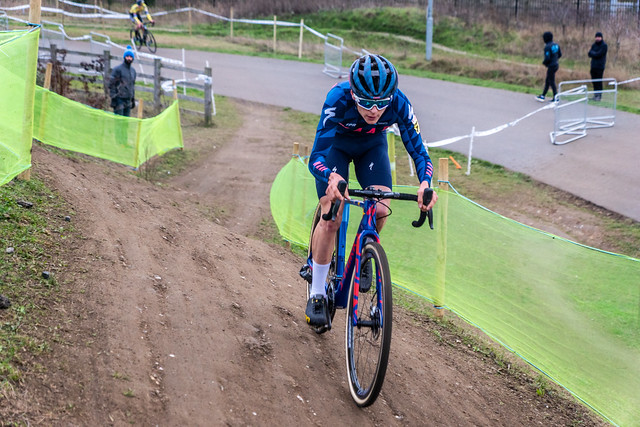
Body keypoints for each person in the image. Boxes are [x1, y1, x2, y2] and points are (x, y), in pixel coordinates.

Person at [305, 54, 438, 327]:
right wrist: (330, 177)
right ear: (353, 93)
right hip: (336, 147)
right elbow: (315, 156)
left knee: (380, 205)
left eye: (381, 103)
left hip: (371, 146)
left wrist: (425, 184)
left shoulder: (400, 103)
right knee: (333, 213)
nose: (374, 110)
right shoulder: (337, 98)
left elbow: (421, 154)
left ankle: (366, 249)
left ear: (391, 96)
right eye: (365, 102)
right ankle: (317, 292)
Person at [108, 45, 136, 117]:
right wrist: (114, 98)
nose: (129, 58)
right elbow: (111, 84)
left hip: (128, 100)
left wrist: (132, 98)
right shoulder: (117, 69)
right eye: (127, 56)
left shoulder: (133, 71)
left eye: (130, 57)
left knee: (126, 122)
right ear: (124, 57)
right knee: (119, 122)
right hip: (119, 100)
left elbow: (132, 86)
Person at [536, 31, 562, 103]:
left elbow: (547, 58)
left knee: (551, 81)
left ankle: (556, 97)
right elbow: (560, 54)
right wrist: (555, 59)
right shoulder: (556, 45)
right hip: (556, 64)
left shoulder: (547, 47)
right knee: (548, 80)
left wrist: (544, 63)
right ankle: (543, 95)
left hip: (551, 65)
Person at [588, 31, 608, 101]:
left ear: (601, 38)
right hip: (593, 65)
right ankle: (595, 94)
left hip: (600, 66)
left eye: (599, 37)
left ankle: (599, 95)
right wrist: (594, 53)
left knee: (599, 81)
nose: (597, 38)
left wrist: (594, 53)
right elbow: (589, 53)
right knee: (594, 81)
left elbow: (599, 54)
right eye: (596, 37)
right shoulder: (594, 45)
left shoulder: (604, 46)